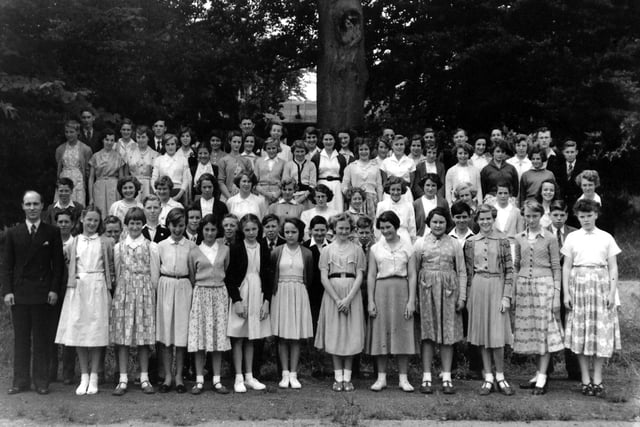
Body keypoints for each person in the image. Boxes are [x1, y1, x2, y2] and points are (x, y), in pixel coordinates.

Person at [2, 191, 64, 395]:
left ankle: (41, 381)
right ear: (22, 206)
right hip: (19, 293)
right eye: (28, 204)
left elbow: (58, 266)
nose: (32, 208)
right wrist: (8, 291)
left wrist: (54, 289)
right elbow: (7, 266)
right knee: (21, 338)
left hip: (42, 292)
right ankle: (20, 381)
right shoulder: (13, 233)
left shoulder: (52, 232)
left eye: (36, 204)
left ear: (42, 206)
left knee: (41, 338)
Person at [562, 199, 621, 398]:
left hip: (601, 285)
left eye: (589, 215)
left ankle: (598, 379)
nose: (586, 219)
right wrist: (567, 293)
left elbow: (612, 266)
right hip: (578, 285)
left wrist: (612, 293)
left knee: (599, 332)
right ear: (577, 217)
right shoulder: (572, 238)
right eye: (582, 216)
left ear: (596, 214)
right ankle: (585, 379)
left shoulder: (606, 237)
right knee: (581, 331)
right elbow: (566, 266)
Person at [55, 205, 115, 395]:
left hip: (97, 286)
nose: (92, 223)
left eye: (96, 220)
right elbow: (69, 265)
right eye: (89, 219)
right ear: (82, 219)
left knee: (96, 332)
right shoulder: (74, 242)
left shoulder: (105, 242)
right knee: (80, 331)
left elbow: (110, 268)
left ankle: (95, 375)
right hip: (79, 287)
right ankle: (84, 376)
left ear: (100, 223)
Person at [463, 204, 515, 396]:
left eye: (488, 218)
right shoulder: (471, 242)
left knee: (497, 336)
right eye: (481, 219)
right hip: (478, 286)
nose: (485, 222)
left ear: (493, 219)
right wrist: (468, 297)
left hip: (497, 285)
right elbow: (468, 272)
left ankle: (500, 376)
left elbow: (510, 270)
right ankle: (488, 377)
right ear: (476, 221)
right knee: (483, 336)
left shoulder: (503, 240)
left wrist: (506, 296)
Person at [414, 207, 466, 394]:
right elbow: (414, 271)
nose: (438, 225)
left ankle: (446, 376)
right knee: (427, 335)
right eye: (435, 222)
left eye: (441, 222)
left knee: (447, 336)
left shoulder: (454, 244)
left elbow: (461, 271)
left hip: (449, 293)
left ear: (447, 224)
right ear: (429, 223)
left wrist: (462, 297)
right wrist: (414, 299)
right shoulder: (420, 243)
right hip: (426, 292)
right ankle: (426, 376)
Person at [513, 200, 563, 395]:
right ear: (524, 216)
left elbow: (556, 267)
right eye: (528, 215)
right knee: (532, 330)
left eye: (535, 216)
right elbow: (517, 264)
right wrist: (515, 291)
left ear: (541, 216)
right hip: (525, 286)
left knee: (544, 330)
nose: (531, 219)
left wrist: (557, 295)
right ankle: (537, 372)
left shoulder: (550, 238)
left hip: (545, 286)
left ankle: (543, 375)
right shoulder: (519, 237)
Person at [109, 207, 160, 396]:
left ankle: (144, 377)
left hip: (145, 292)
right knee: (122, 337)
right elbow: (118, 270)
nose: (135, 226)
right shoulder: (119, 247)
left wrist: (150, 295)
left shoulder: (151, 246)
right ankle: (123, 378)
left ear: (143, 224)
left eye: (138, 223)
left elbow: (154, 274)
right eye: (132, 223)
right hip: (124, 293)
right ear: (126, 225)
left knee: (143, 338)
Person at [315, 213, 366, 392]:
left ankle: (347, 376)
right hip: (333, 294)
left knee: (350, 334)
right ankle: (337, 377)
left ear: (351, 229)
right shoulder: (327, 250)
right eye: (340, 228)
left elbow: (360, 274)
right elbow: (323, 276)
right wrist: (337, 300)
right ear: (334, 229)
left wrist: (349, 299)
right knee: (335, 334)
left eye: (346, 228)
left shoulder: (357, 249)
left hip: (352, 293)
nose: (343, 231)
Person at [366, 211, 417, 392]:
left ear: (396, 226)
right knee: (381, 333)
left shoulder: (408, 247)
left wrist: (411, 301)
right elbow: (371, 275)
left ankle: (403, 379)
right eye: (382, 227)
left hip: (401, 290)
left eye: (389, 227)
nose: (386, 231)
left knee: (402, 333)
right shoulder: (375, 249)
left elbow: (412, 275)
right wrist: (370, 301)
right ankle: (382, 378)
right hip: (381, 291)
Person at [225, 214, 273, 393]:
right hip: (242, 292)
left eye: (254, 229)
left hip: (257, 292)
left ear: (258, 229)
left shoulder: (263, 247)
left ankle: (249, 376)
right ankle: (238, 377)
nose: (251, 232)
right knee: (238, 336)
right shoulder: (236, 248)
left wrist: (266, 301)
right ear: (242, 231)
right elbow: (230, 278)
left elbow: (268, 276)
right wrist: (236, 301)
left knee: (252, 336)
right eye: (247, 230)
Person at [187, 214, 232, 395]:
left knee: (217, 338)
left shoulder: (225, 250)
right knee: (200, 339)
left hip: (219, 293)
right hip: (201, 294)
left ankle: (217, 380)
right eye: (206, 229)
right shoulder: (194, 252)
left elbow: (225, 270)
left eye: (213, 229)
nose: (210, 233)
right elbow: (192, 275)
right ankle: (199, 380)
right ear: (201, 230)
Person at [270, 218, 314, 389]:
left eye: (293, 232)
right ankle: (284, 374)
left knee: (295, 336)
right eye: (287, 232)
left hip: (298, 293)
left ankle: (294, 374)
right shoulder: (277, 252)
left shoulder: (307, 253)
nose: (290, 235)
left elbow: (308, 277)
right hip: (281, 292)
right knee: (282, 336)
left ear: (299, 233)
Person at [155, 208, 195, 394]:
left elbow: (193, 272)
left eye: (180, 225)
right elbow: (156, 272)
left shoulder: (191, 246)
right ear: (168, 225)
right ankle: (167, 376)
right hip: (166, 286)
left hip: (184, 287)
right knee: (166, 336)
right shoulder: (160, 246)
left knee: (180, 334)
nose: (177, 230)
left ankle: (179, 376)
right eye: (174, 225)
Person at [547, 200, 580, 380]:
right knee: (550, 324)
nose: (559, 219)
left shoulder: (574, 233)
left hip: (570, 285)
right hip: (550, 283)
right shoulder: (543, 233)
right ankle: (546, 370)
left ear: (567, 215)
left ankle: (574, 370)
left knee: (570, 325)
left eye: (562, 215)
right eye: (555, 215)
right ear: (550, 215)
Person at [341, 137, 382, 217]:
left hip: (372, 201)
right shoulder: (351, 167)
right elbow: (344, 185)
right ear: (357, 151)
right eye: (361, 150)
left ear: (370, 150)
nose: (364, 152)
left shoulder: (375, 167)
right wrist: (351, 196)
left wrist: (380, 202)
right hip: (357, 200)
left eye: (366, 149)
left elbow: (379, 186)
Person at [88, 129, 124, 217]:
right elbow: (91, 178)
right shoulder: (96, 156)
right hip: (99, 187)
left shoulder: (118, 157)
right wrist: (91, 198)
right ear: (103, 140)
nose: (109, 142)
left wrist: (122, 195)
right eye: (107, 140)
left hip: (114, 187)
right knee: (100, 212)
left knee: (113, 211)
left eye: (112, 140)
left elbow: (121, 178)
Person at [55, 120, 93, 205]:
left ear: (78, 132)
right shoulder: (60, 149)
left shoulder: (85, 149)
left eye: (71, 132)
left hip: (78, 181)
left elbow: (88, 169)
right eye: (67, 132)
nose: (69, 135)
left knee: (77, 205)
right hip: (64, 178)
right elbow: (59, 165)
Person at [303, 215, 330, 329]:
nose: (319, 233)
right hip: (311, 292)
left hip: (328, 291)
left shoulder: (332, 245)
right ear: (310, 230)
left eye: (322, 230)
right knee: (313, 323)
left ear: (327, 230)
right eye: (316, 230)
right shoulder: (304, 247)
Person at [311, 130, 348, 213]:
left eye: (331, 139)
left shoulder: (340, 157)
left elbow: (343, 175)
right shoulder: (317, 157)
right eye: (326, 139)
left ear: (335, 140)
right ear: (322, 141)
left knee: (337, 209)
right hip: (321, 186)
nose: (328, 142)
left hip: (337, 187)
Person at [375, 177, 417, 244]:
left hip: (404, 238)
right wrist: (378, 242)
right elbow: (377, 227)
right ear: (389, 190)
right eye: (393, 189)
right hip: (386, 237)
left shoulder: (409, 206)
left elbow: (412, 227)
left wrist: (412, 242)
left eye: (398, 190)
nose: (395, 192)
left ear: (402, 190)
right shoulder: (381, 205)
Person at [152, 134, 191, 204]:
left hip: (178, 192)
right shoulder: (159, 160)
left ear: (176, 145)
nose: (170, 147)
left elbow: (186, 179)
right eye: (167, 144)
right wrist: (157, 194)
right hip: (162, 192)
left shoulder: (183, 159)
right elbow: (154, 179)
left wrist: (179, 195)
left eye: (172, 144)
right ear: (164, 146)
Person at [125, 125, 159, 202]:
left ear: (148, 138)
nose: (141, 140)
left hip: (149, 186)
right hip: (133, 185)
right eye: (138, 137)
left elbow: (156, 175)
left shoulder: (154, 154)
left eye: (143, 137)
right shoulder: (129, 153)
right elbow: (126, 173)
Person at [218, 130, 252, 202]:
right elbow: (220, 182)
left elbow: (250, 180)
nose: (237, 144)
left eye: (239, 142)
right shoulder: (223, 160)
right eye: (234, 142)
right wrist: (230, 198)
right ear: (230, 142)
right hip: (227, 195)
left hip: (243, 195)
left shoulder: (246, 161)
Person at [380, 135, 415, 204]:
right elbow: (384, 182)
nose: (399, 147)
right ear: (392, 146)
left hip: (405, 195)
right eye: (396, 144)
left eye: (401, 144)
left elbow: (412, 183)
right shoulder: (385, 162)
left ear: (405, 146)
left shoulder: (410, 161)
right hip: (390, 195)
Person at [445, 142, 482, 206]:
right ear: (456, 154)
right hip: (456, 204)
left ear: (469, 155)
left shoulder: (475, 170)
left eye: (465, 153)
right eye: (460, 153)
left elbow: (478, 188)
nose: (463, 156)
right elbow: (448, 191)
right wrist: (450, 205)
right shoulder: (451, 171)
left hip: (473, 203)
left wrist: (480, 204)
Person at [553, 140, 587, 209]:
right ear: (563, 153)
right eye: (567, 152)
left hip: (578, 202)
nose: (570, 154)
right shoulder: (559, 167)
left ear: (576, 152)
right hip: (563, 202)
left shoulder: (583, 167)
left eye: (572, 152)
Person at [282, 140, 317, 206]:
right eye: (297, 151)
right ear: (293, 152)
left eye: (302, 151)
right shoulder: (288, 165)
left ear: (306, 152)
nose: (300, 154)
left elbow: (313, 184)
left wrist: (303, 197)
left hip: (307, 196)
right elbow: (285, 182)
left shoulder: (311, 165)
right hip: (292, 196)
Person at [254, 138, 286, 206]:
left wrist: (276, 195)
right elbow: (255, 181)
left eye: (273, 148)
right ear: (265, 149)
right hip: (262, 193)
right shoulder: (258, 161)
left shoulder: (283, 163)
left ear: (277, 148)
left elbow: (284, 183)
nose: (271, 151)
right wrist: (265, 193)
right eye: (269, 148)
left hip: (276, 195)